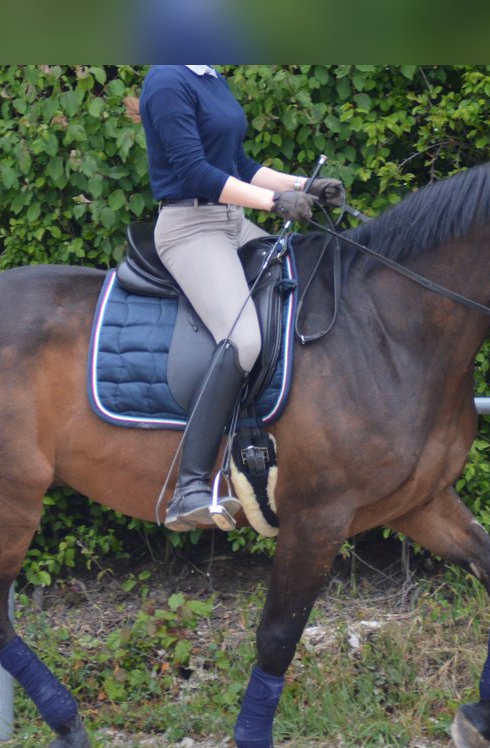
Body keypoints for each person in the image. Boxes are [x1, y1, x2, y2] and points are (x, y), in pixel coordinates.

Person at [139, 64, 345, 531]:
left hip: (233, 222)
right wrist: (273, 204)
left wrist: (301, 185)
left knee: (304, 283)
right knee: (245, 340)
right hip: (190, 228)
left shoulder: (211, 77)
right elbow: (194, 171)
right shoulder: (168, 79)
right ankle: (189, 487)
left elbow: (241, 166)